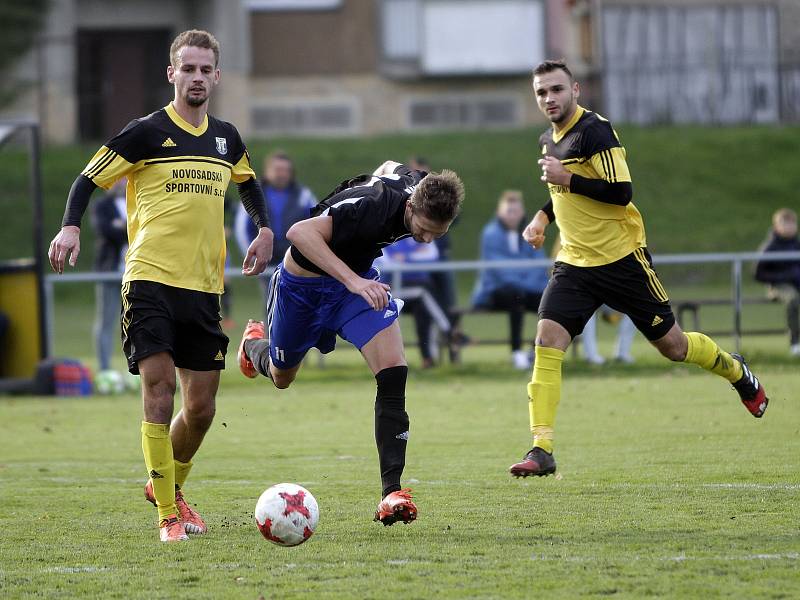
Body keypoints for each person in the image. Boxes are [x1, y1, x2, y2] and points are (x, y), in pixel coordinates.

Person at [47, 30, 274, 542]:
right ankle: (168, 516)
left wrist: (263, 228)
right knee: (159, 389)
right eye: (186, 68)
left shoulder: (226, 138)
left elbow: (249, 183)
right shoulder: (145, 132)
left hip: (204, 288)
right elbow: (87, 180)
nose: (196, 78)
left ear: (216, 76)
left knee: (202, 408)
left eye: (204, 70)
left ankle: (167, 485)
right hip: (148, 278)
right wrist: (71, 225)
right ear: (171, 73)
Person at [508, 60, 768, 479]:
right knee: (547, 340)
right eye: (541, 93)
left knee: (675, 348)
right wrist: (542, 217)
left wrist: (567, 180)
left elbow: (620, 192)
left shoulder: (596, 131)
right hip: (574, 262)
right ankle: (542, 448)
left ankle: (736, 370)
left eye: (556, 89)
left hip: (622, 260)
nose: (549, 98)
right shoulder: (549, 139)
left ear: (575, 89)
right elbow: (563, 191)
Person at [237, 160, 464, 525]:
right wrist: (355, 282)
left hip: (355, 288)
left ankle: (391, 493)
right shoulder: (372, 207)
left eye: (436, 235)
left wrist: (356, 283)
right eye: (422, 231)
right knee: (282, 377)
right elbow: (298, 233)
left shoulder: (421, 188)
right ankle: (252, 345)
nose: (425, 240)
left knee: (394, 370)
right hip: (303, 289)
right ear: (409, 208)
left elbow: (392, 165)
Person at [472, 190, 549, 369]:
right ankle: (516, 352)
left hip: (527, 290)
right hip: (494, 293)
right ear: (500, 213)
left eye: (516, 211)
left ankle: (536, 350)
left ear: (522, 212)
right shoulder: (490, 234)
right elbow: (500, 272)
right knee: (516, 296)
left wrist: (521, 275)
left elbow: (539, 265)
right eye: (509, 211)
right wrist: (524, 273)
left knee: (551, 303)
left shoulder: (532, 232)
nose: (513, 215)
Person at [234, 151, 317, 270]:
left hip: (296, 262)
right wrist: (254, 258)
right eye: (278, 170)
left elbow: (315, 224)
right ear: (267, 171)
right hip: (264, 262)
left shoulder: (304, 196)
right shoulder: (252, 196)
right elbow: (242, 229)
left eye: (286, 170)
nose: (282, 174)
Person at [377, 236, 442, 368]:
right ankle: (448, 329)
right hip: (392, 291)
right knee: (423, 295)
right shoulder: (384, 233)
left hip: (418, 291)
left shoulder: (421, 232)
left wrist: (404, 257)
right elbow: (385, 263)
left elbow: (433, 256)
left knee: (424, 310)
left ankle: (428, 358)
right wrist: (414, 257)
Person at [90, 177, 128, 372]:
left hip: (136, 272)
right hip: (110, 270)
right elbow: (106, 231)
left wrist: (121, 225)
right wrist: (126, 228)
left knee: (136, 321)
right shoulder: (102, 205)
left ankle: (136, 368)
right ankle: (104, 369)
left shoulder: (137, 200)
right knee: (106, 320)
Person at [755, 208, 800, 356]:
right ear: (777, 226)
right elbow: (758, 273)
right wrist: (783, 276)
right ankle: (795, 343)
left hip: (796, 283)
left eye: (792, 224)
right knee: (793, 299)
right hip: (778, 286)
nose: (789, 227)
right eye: (785, 224)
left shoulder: (796, 244)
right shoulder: (771, 246)